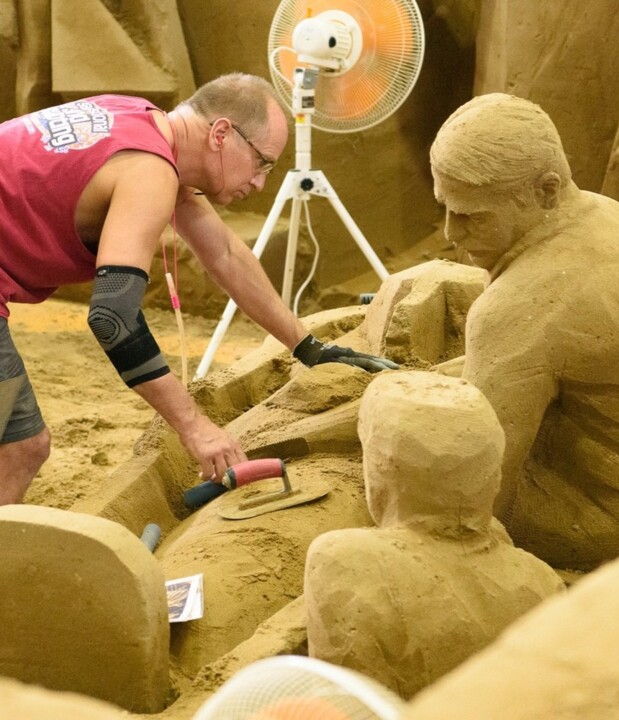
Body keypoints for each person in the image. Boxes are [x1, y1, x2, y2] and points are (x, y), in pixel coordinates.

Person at [0, 72, 396, 505]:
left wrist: (307, 346)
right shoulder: (150, 172)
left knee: (20, 446)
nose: (261, 181)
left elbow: (223, 251)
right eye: (262, 161)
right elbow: (113, 317)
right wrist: (195, 427)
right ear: (222, 133)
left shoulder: (141, 119)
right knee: (17, 442)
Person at [430, 93, 619, 570]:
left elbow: (481, 502)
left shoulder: (520, 306)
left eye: (471, 215)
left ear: (546, 191)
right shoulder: (614, 215)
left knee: (427, 490)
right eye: (446, 206)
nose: (449, 233)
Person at [304, 371, 564, 699]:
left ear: (380, 471)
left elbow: (345, 705)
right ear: (493, 477)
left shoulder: (343, 560)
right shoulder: (543, 582)